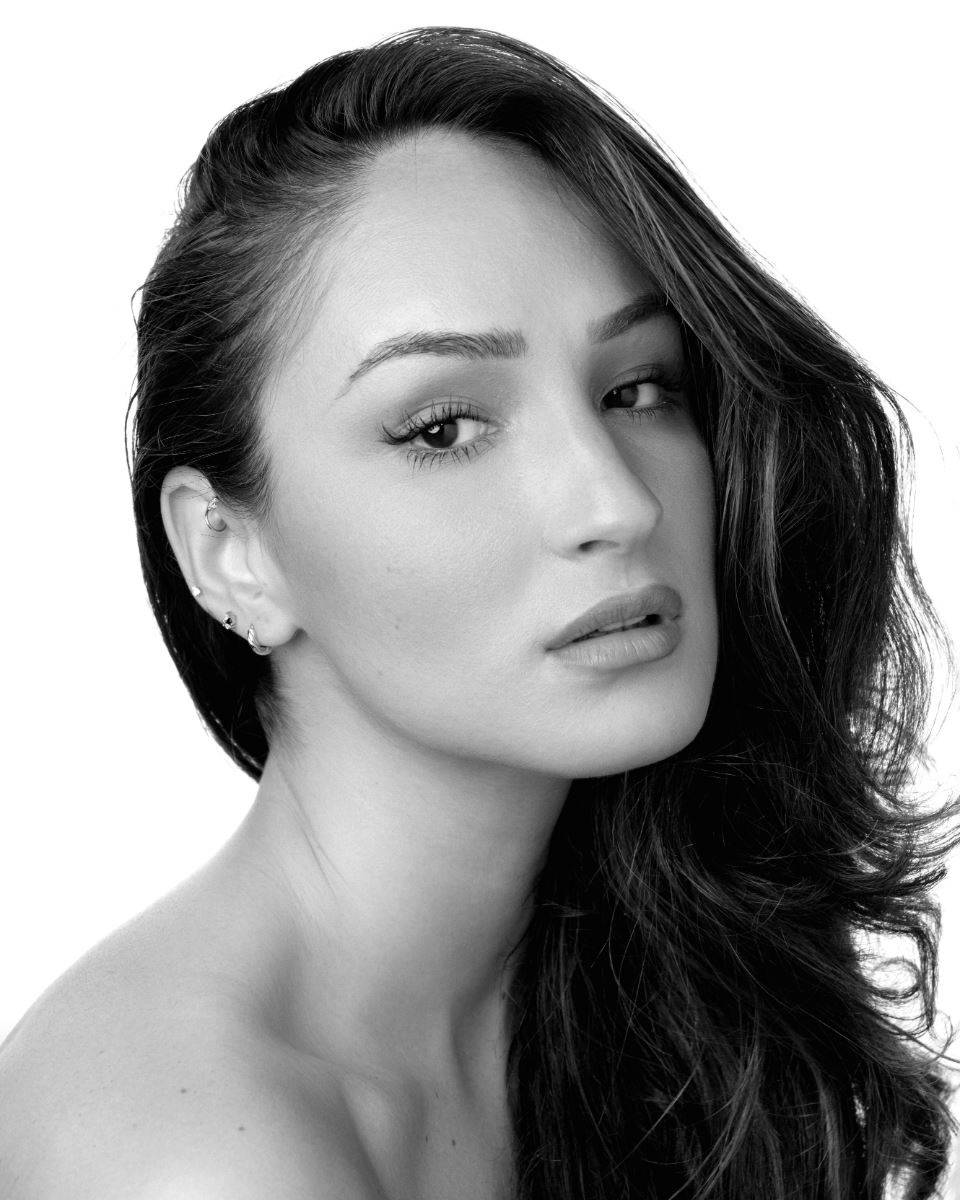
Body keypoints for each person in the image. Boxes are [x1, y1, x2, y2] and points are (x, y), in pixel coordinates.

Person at [1, 25, 958, 1200]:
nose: (616, 502)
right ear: (230, 552)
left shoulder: (631, 1001)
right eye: (444, 428)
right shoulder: (194, 1158)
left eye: (637, 388)